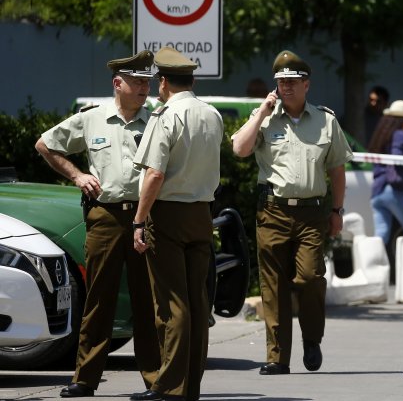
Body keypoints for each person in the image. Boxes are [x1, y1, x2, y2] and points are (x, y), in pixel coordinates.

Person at [35, 52, 161, 398]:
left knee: (146, 300)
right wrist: (77, 175)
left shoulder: (156, 121)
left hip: (145, 216)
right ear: (117, 84)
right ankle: (85, 379)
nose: (144, 88)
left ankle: (155, 379)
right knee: (99, 299)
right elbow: (45, 144)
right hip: (104, 217)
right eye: (137, 82)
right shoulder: (92, 119)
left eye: (147, 82)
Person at [231, 50, 353, 376]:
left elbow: (337, 170)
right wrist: (259, 113)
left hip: (312, 214)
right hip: (272, 212)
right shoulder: (266, 118)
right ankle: (277, 357)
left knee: (311, 277)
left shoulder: (326, 120)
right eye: (281, 82)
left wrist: (338, 210)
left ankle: (311, 339)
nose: (286, 87)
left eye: (292, 82)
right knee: (273, 286)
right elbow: (239, 149)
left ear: (306, 85)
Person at [131, 47, 224, 401]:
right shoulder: (211, 114)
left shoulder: (165, 115)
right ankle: (190, 385)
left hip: (168, 212)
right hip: (201, 211)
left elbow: (154, 174)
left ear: (163, 82)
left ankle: (170, 385)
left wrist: (139, 219)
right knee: (197, 301)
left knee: (172, 302)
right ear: (194, 80)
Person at [367, 100, 403, 247]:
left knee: (381, 234)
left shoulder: (381, 136)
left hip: (376, 192)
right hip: (393, 190)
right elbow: (396, 155)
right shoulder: (399, 134)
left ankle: (370, 268)